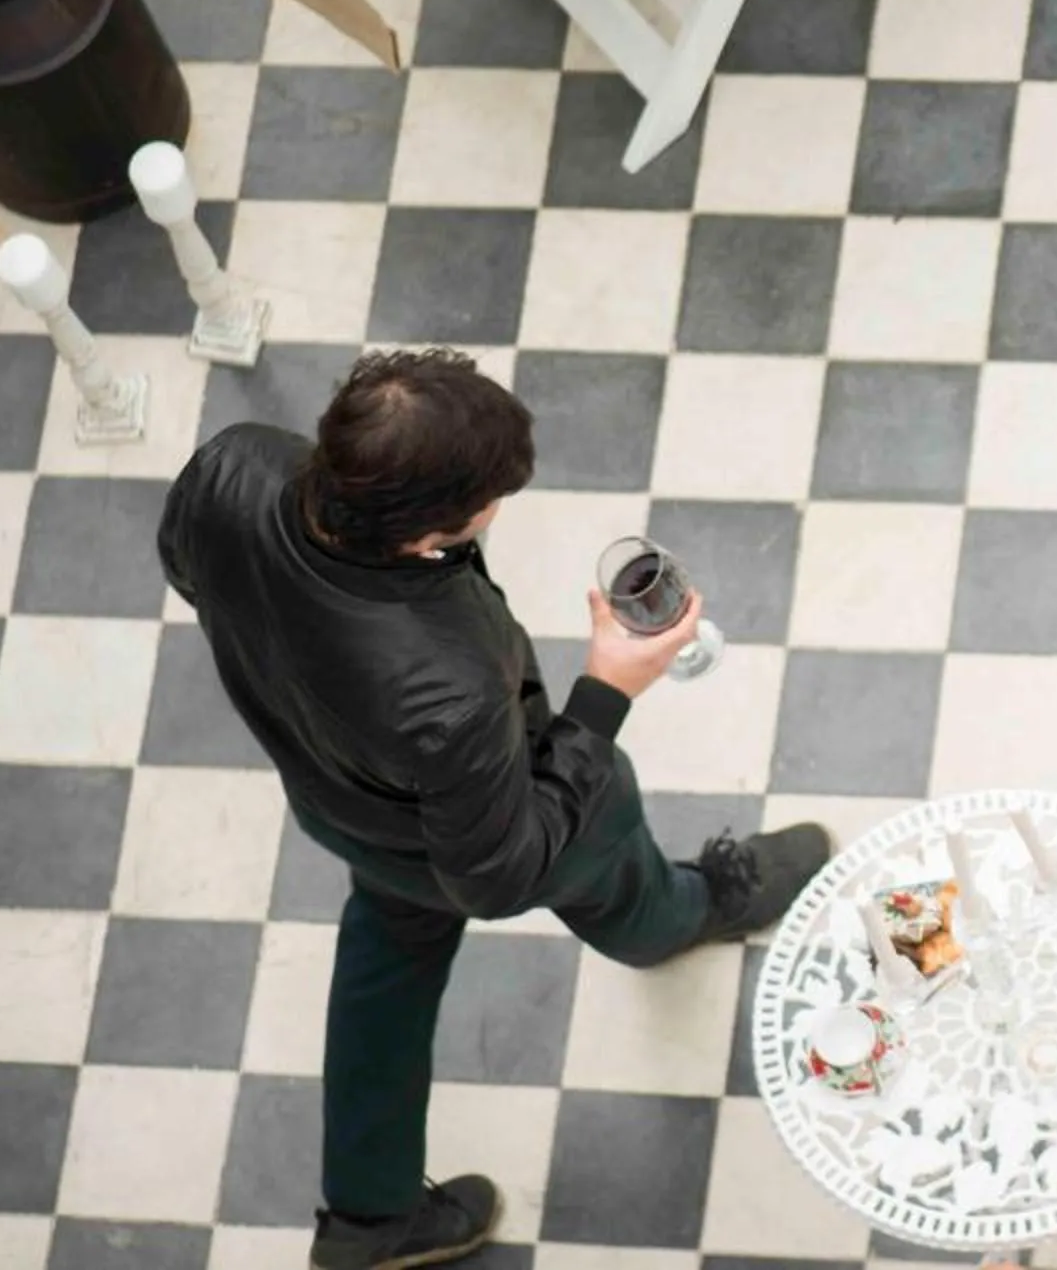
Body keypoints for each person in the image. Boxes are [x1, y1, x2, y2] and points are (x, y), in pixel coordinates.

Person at [158, 349, 832, 1270]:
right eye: (488, 501)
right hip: (495, 819)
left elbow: (195, 573)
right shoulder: (448, 692)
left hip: (342, 801)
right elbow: (498, 875)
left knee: (389, 959)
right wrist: (606, 691)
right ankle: (694, 909)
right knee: (618, 872)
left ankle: (370, 1220)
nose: (496, 511)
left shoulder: (232, 466)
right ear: (425, 532)